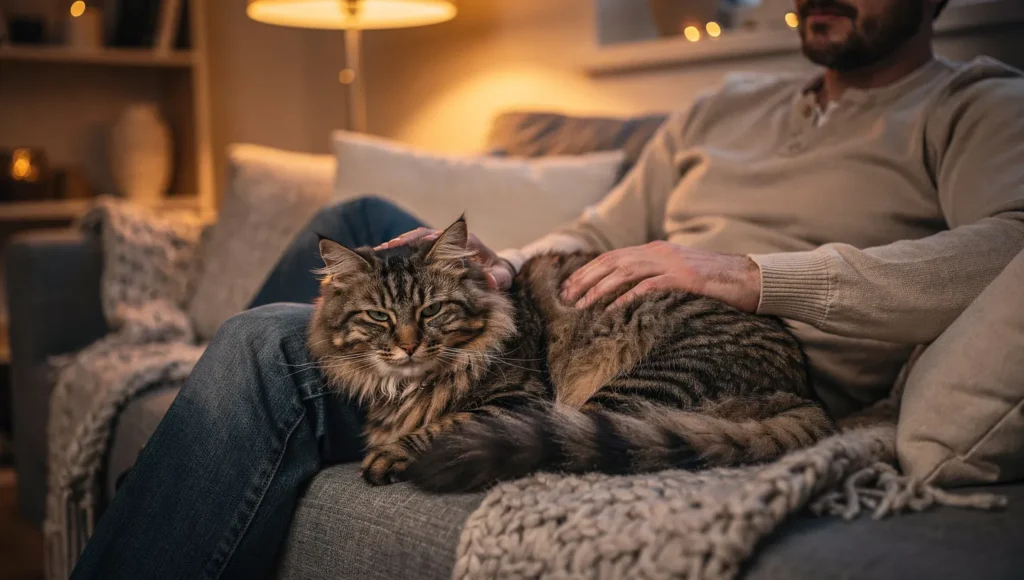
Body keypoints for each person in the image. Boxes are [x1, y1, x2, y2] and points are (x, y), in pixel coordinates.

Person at [73, 0, 1024, 578]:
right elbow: (601, 231)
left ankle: (216, 412)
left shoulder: (970, 106)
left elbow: (1007, 250)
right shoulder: (725, 105)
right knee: (365, 216)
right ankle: (209, 419)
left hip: (710, 348)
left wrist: (751, 274)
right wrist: (496, 264)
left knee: (264, 342)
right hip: (586, 304)